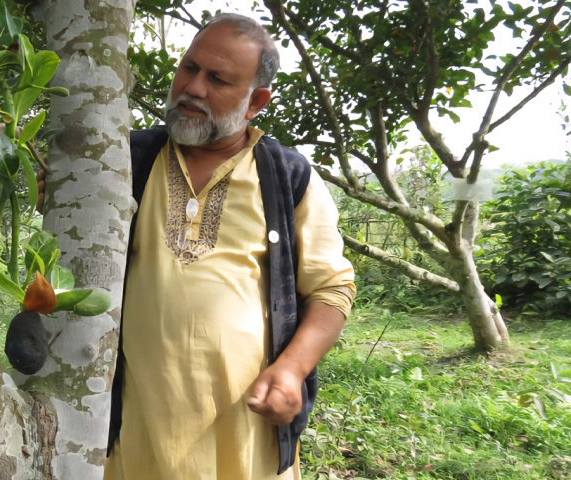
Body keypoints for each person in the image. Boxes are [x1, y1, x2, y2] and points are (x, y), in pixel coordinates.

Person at [36, 13, 356, 480]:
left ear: (256, 101)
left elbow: (331, 290)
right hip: (132, 431)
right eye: (189, 68)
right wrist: (64, 193)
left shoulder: (289, 178)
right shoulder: (122, 159)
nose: (194, 88)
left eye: (219, 79)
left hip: (242, 438)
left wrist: (292, 369)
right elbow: (74, 246)